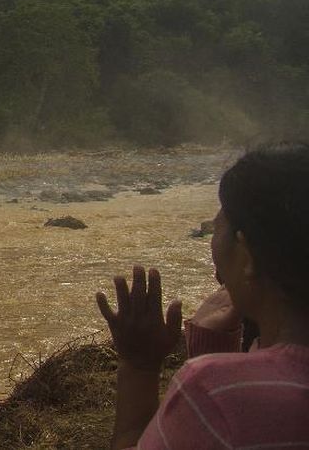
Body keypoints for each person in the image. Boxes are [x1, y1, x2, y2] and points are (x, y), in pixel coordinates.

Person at [96, 143, 309, 449]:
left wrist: (139, 365)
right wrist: (216, 349)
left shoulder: (213, 390)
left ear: (247, 256)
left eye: (218, 227)